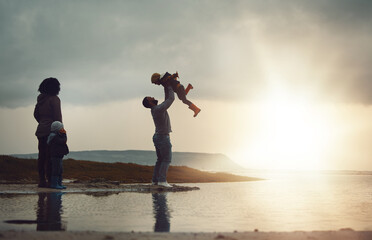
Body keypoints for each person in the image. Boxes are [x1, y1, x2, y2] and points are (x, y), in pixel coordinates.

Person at [142, 85, 175, 188]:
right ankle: (162, 181)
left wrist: (165, 86)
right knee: (166, 159)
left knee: (160, 160)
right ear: (150, 102)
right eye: (150, 98)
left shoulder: (156, 109)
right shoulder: (158, 109)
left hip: (157, 137)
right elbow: (171, 99)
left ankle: (155, 181)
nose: (152, 97)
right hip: (162, 137)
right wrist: (170, 86)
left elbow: (166, 99)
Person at [34, 78, 63, 188]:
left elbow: (35, 114)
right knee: (52, 157)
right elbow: (57, 117)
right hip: (52, 131)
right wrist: (61, 131)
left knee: (41, 156)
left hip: (41, 130)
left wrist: (42, 122)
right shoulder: (54, 99)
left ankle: (42, 181)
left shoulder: (40, 99)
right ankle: (51, 181)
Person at [47, 121, 69, 189]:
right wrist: (64, 134)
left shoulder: (57, 135)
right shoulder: (54, 136)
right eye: (61, 128)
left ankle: (59, 183)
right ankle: (54, 184)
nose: (62, 129)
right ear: (57, 128)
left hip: (59, 155)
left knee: (60, 170)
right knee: (56, 169)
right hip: (55, 156)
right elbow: (62, 141)